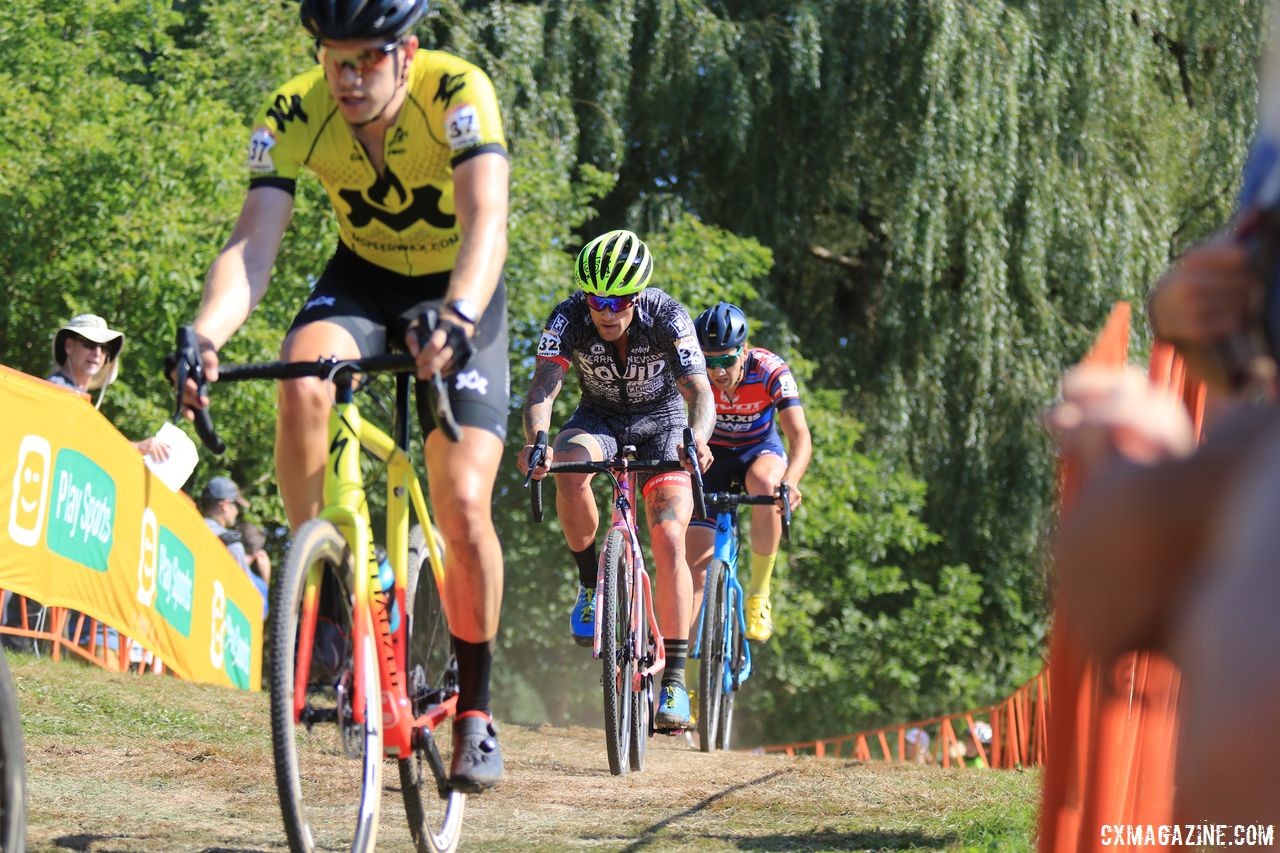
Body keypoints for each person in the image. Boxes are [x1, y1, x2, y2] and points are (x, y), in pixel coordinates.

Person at [175, 0, 510, 791]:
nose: (349, 78)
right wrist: (207, 333)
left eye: (367, 59)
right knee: (301, 374)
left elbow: (486, 218)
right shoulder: (296, 108)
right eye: (335, 59)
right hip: (362, 280)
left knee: (462, 504)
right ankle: (320, 592)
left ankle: (476, 710)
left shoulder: (457, 90)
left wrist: (458, 314)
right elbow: (253, 242)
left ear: (408, 51)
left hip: (457, 287)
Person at [516, 229, 715, 732]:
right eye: (596, 299)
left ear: (637, 294)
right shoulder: (568, 317)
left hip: (663, 423)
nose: (606, 310)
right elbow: (544, 385)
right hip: (598, 419)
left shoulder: (667, 315)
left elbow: (700, 393)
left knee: (669, 536)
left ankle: (673, 677)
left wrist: (697, 438)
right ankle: (589, 585)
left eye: (618, 300)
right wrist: (538, 439)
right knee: (567, 463)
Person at [686, 301, 810, 643]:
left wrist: (792, 481)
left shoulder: (770, 370)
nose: (717, 372)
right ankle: (690, 684)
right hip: (711, 454)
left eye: (726, 360)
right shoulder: (691, 371)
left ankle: (758, 594)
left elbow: (799, 437)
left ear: (744, 350)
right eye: (709, 362)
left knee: (767, 485)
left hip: (759, 452)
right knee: (695, 575)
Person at [199, 477, 270, 617]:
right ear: (224, 505)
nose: (237, 512)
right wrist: (265, 578)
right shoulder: (230, 544)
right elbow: (255, 606)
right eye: (235, 506)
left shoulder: (189, 525)